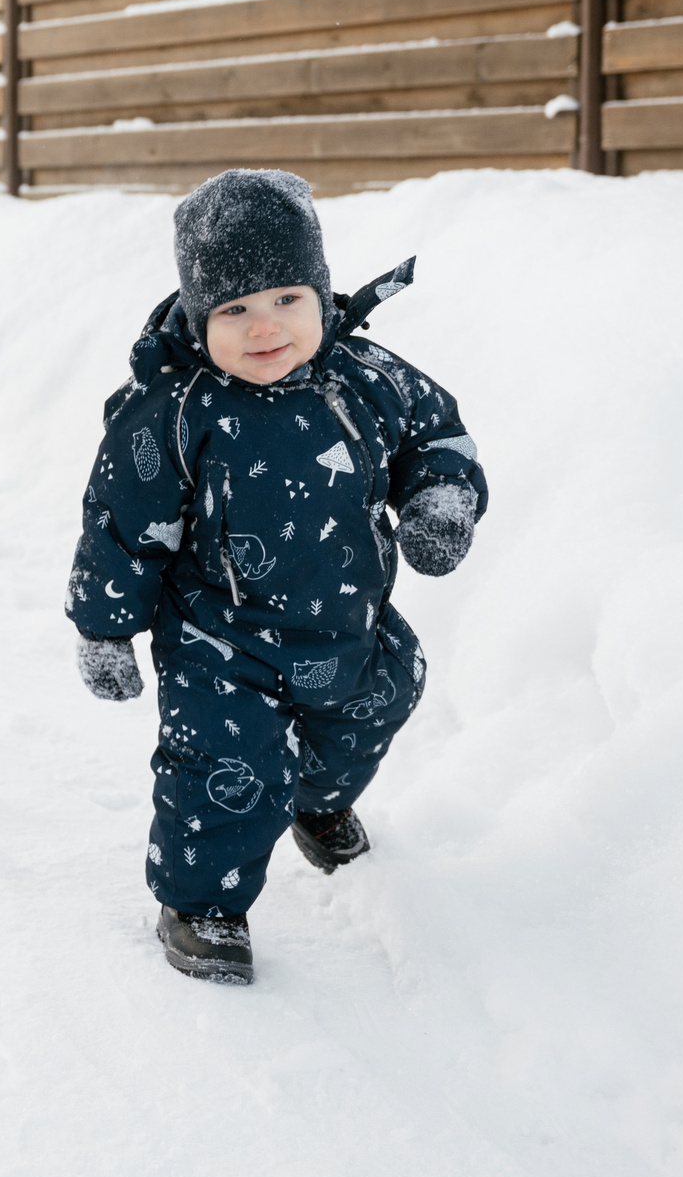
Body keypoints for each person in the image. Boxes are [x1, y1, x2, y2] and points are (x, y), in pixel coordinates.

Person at [64, 169, 487, 986]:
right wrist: (106, 626)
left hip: (346, 623)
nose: (265, 328)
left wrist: (440, 501)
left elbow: (437, 436)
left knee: (386, 694)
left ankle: (317, 800)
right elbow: (121, 522)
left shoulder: (364, 377)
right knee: (224, 770)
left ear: (321, 296)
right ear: (198, 315)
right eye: (235, 310)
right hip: (220, 641)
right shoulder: (175, 410)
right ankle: (201, 904)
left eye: (286, 300)